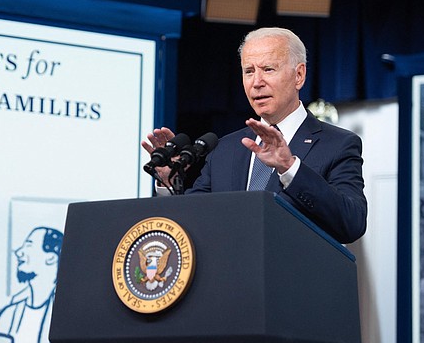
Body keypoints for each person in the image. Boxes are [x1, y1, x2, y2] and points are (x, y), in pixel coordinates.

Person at [142, 27, 367, 244]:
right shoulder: (224, 148)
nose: (256, 82)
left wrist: (289, 168)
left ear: (299, 75)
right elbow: (193, 221)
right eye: (249, 71)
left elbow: (351, 223)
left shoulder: (338, 144)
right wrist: (170, 184)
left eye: (268, 69)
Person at [0, 227, 63, 343]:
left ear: (51, 258)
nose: (19, 252)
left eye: (29, 245)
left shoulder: (65, 319)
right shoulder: (8, 315)